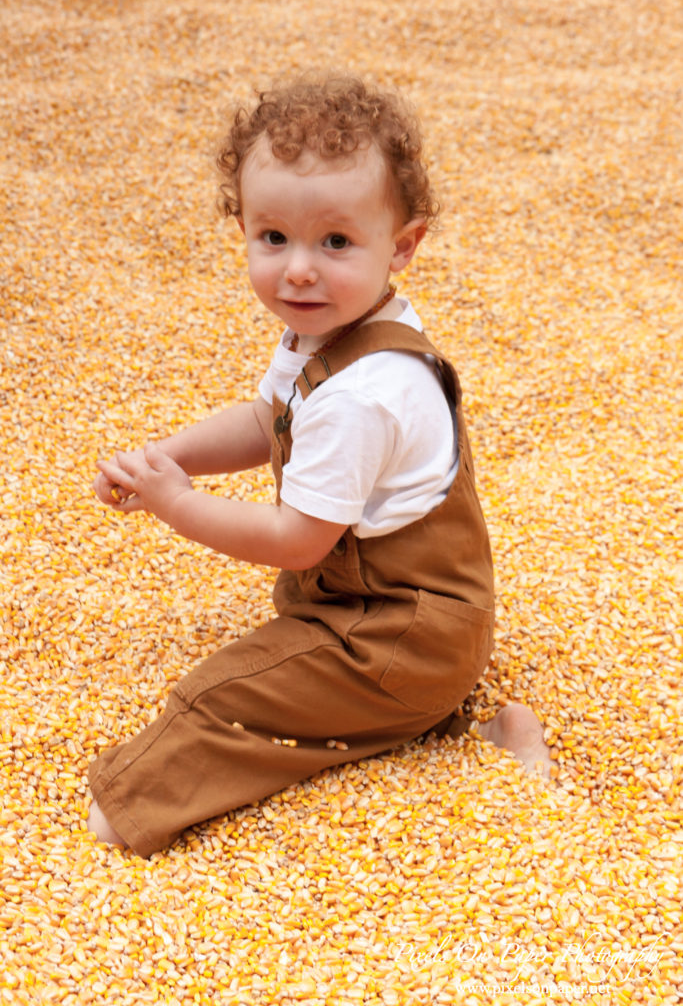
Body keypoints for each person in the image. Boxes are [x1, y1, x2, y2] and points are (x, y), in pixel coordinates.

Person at [88, 75, 550, 856]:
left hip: (387, 639)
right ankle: (460, 731)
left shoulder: (362, 393)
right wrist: (170, 458)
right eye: (274, 238)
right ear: (243, 228)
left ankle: (141, 801)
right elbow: (268, 422)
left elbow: (299, 540)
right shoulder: (341, 328)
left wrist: (176, 505)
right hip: (422, 629)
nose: (298, 270)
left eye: (334, 242)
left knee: (219, 697)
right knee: (282, 672)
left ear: (402, 245)